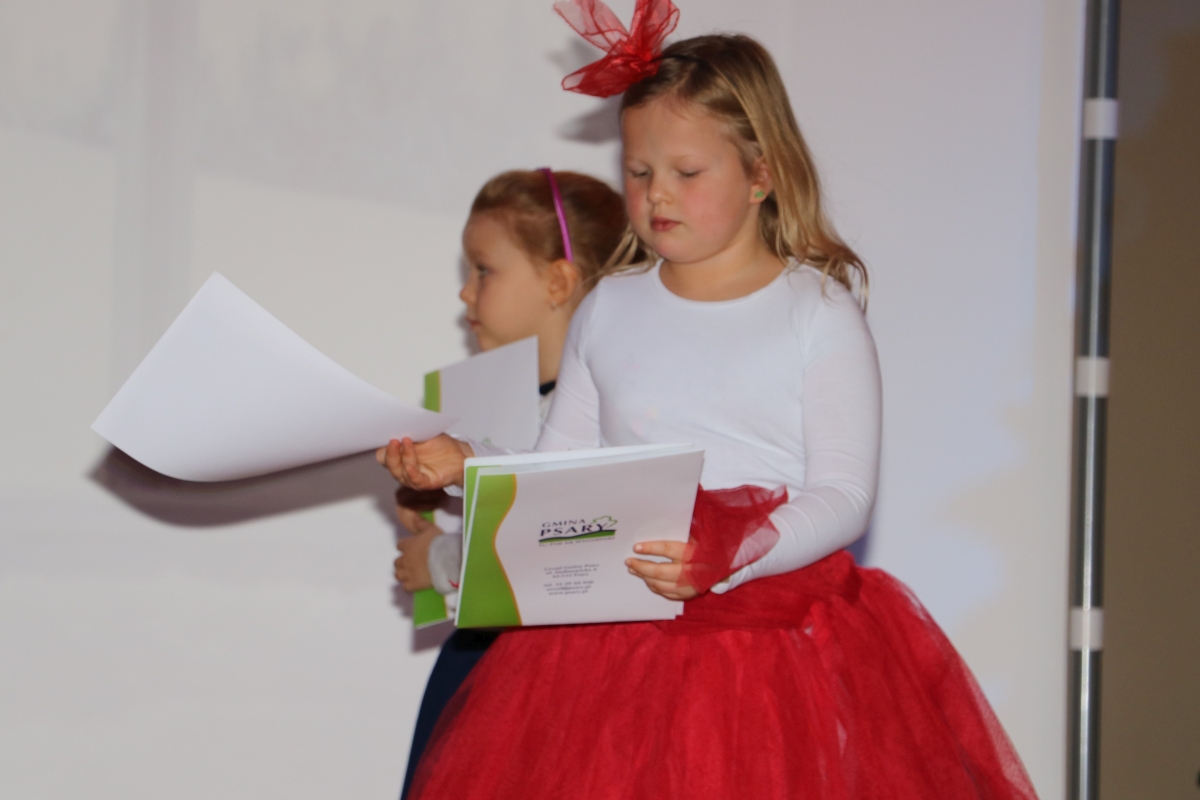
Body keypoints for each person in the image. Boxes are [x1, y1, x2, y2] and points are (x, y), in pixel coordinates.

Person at [383, 4, 1039, 798]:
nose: (657, 194)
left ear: (761, 174)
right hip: (611, 651)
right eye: (639, 172)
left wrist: (736, 548)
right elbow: (561, 476)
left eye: (687, 174)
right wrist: (467, 467)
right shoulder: (611, 306)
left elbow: (844, 493)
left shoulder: (816, 312)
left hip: (772, 648)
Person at [378, 168, 633, 800]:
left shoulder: (608, 410)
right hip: (483, 668)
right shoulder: (494, 402)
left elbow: (568, 549)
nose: (465, 293)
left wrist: (440, 561)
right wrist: (439, 501)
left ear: (558, 282)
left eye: (484, 270)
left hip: (560, 683)